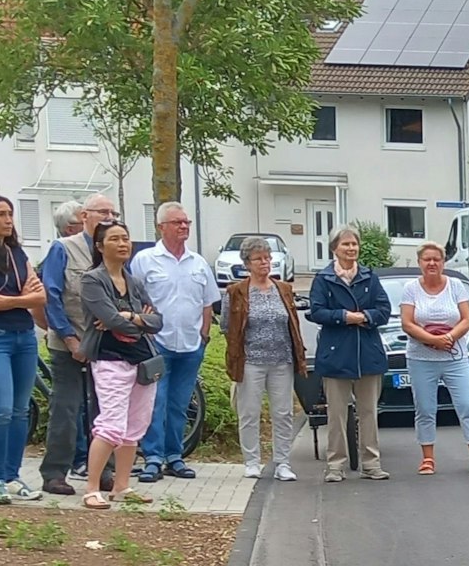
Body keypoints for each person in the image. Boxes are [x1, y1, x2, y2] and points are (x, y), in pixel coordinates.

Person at [76, 220, 163, 510]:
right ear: (100, 247)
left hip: (142, 361)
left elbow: (157, 321)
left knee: (135, 426)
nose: (123, 244)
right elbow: (108, 318)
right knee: (111, 424)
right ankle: (91, 488)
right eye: (115, 239)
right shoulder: (92, 280)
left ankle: (122, 486)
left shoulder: (134, 281)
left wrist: (131, 317)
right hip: (110, 358)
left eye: (126, 238)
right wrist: (137, 317)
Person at [131, 200, 219, 483]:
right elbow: (134, 300)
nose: (184, 226)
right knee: (155, 402)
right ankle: (153, 458)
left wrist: (204, 335)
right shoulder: (145, 261)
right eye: (177, 222)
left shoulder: (199, 262)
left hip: (191, 345)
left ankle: (175, 457)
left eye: (186, 222)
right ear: (161, 227)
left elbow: (208, 303)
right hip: (158, 345)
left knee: (180, 404)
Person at [39, 194, 118, 496]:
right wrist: (71, 340)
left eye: (113, 212)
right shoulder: (63, 249)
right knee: (67, 408)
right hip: (67, 342)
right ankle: (55, 473)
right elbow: (52, 297)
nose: (109, 217)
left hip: (105, 344)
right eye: (102, 212)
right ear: (85, 215)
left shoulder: (113, 250)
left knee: (105, 410)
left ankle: (103, 472)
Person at [307, 225, 393, 482]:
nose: (351, 248)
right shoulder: (323, 279)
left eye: (354, 244)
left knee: (369, 412)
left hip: (368, 354)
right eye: (345, 244)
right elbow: (317, 311)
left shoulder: (370, 277)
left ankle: (371, 463)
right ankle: (335, 465)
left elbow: (384, 309)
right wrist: (345, 317)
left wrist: (365, 317)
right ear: (335, 248)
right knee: (336, 414)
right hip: (335, 355)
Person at [399, 242, 469, 475]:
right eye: (427, 259)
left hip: (455, 357)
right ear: (419, 262)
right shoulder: (411, 288)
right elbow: (407, 323)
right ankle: (428, 458)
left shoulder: (456, 285)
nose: (432, 263)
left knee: (468, 405)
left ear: (443, 262)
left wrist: (448, 337)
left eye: (436, 259)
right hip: (421, 358)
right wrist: (431, 340)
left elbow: (467, 319)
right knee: (426, 408)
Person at [222, 236, 308, 481]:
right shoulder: (236, 292)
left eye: (268, 258)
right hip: (251, 362)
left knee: (283, 414)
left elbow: (292, 324)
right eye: (259, 258)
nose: (265, 262)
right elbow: (228, 326)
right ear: (247, 263)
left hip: (281, 360)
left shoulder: (283, 289)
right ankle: (251, 461)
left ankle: (282, 462)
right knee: (249, 413)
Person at [0, 195, 48, 504]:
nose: (9, 220)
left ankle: (13, 475)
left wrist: (9, 301)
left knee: (21, 409)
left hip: (24, 336)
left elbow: (41, 297)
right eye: (1, 214)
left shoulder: (18, 253)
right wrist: (23, 297)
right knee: (2, 409)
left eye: (10, 214)